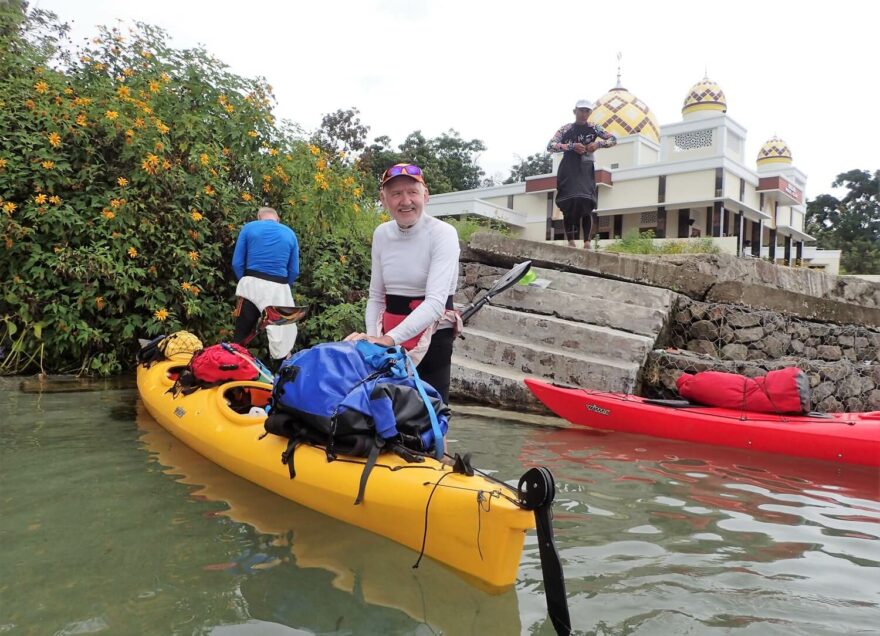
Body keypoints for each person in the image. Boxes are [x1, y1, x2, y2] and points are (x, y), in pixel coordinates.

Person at [344, 163, 460, 403]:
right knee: (385, 407)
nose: (405, 201)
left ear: (425, 196)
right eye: (396, 194)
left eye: (412, 192)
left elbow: (436, 303)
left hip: (432, 333)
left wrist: (386, 341)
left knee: (432, 411)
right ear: (384, 200)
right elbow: (376, 296)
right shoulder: (381, 234)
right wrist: (374, 342)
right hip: (389, 330)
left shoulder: (443, 233)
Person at [231, 206, 300, 361]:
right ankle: (282, 378)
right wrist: (281, 286)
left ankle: (232, 372)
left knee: (240, 339)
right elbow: (294, 270)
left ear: (259, 217)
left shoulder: (249, 228)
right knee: (282, 343)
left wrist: (246, 281)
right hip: (279, 289)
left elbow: (237, 263)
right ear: (278, 219)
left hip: (251, 284)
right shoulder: (289, 233)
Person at [548, 99, 617, 248]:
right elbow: (551, 146)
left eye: (587, 111)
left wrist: (598, 144)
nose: (584, 114)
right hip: (568, 169)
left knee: (587, 203)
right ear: (575, 112)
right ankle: (571, 241)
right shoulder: (566, 129)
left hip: (585, 169)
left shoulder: (594, 128)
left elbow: (613, 139)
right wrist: (571, 146)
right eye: (581, 111)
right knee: (568, 204)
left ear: (590, 113)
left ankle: (587, 242)